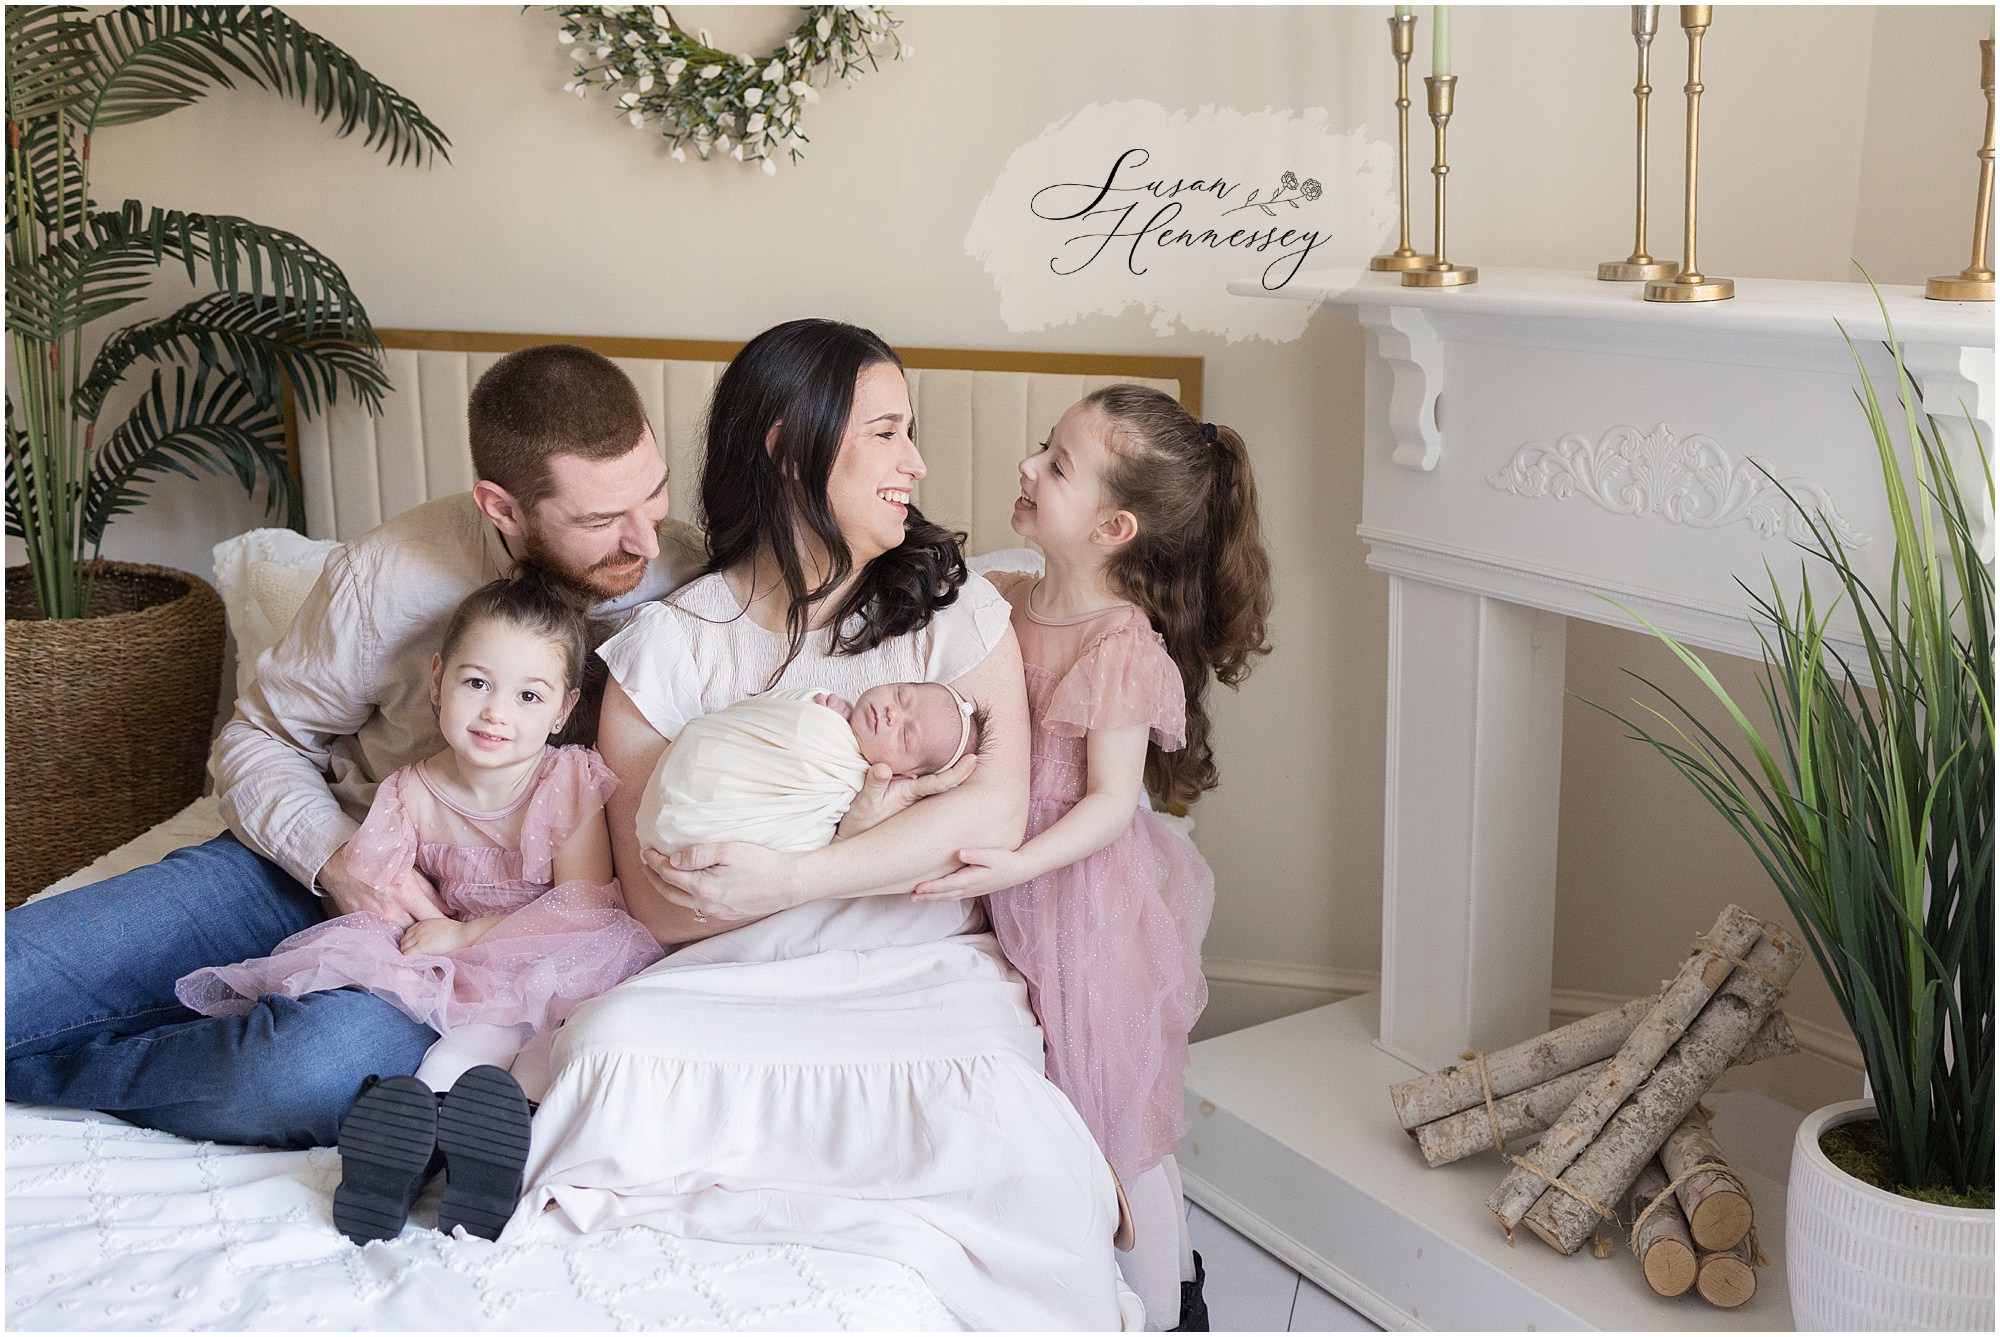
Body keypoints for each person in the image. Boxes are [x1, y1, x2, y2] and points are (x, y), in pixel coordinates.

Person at [509, 319, 1130, 1331]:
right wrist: (795, 881)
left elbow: (991, 810)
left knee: (1007, 1140)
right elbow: (660, 903)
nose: (915, 462)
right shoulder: (667, 651)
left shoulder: (951, 606)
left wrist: (798, 874)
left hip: (917, 972)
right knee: (608, 1047)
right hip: (730, 977)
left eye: (909, 432)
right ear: (790, 448)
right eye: (886, 433)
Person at [5, 345, 703, 1150]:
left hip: (496, 951)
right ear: (501, 507)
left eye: (653, 494)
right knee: (20, 973)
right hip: (310, 865)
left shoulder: (688, 577)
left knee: (292, 1075)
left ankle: (86, 1065)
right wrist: (340, 860)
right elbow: (259, 737)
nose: (645, 540)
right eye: (599, 521)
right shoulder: (384, 576)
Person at [911, 385, 1273, 1327]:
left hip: (1079, 898)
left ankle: (1163, 1309)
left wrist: (1016, 863)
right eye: (1043, 446)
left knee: (1111, 1134)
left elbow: (1112, 803)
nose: (1028, 466)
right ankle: (1129, 1287)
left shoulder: (1118, 645)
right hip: (1008, 876)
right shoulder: (1000, 602)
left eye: (1057, 464)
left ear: (1113, 528)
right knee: (1057, 1121)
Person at [637, 680, 987, 858]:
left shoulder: (859, 786)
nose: (893, 714)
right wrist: (818, 713)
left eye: (906, 735)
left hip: (707, 828)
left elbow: (824, 834)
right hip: (695, 767)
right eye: (901, 695)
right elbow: (756, 716)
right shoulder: (823, 702)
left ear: (903, 775)